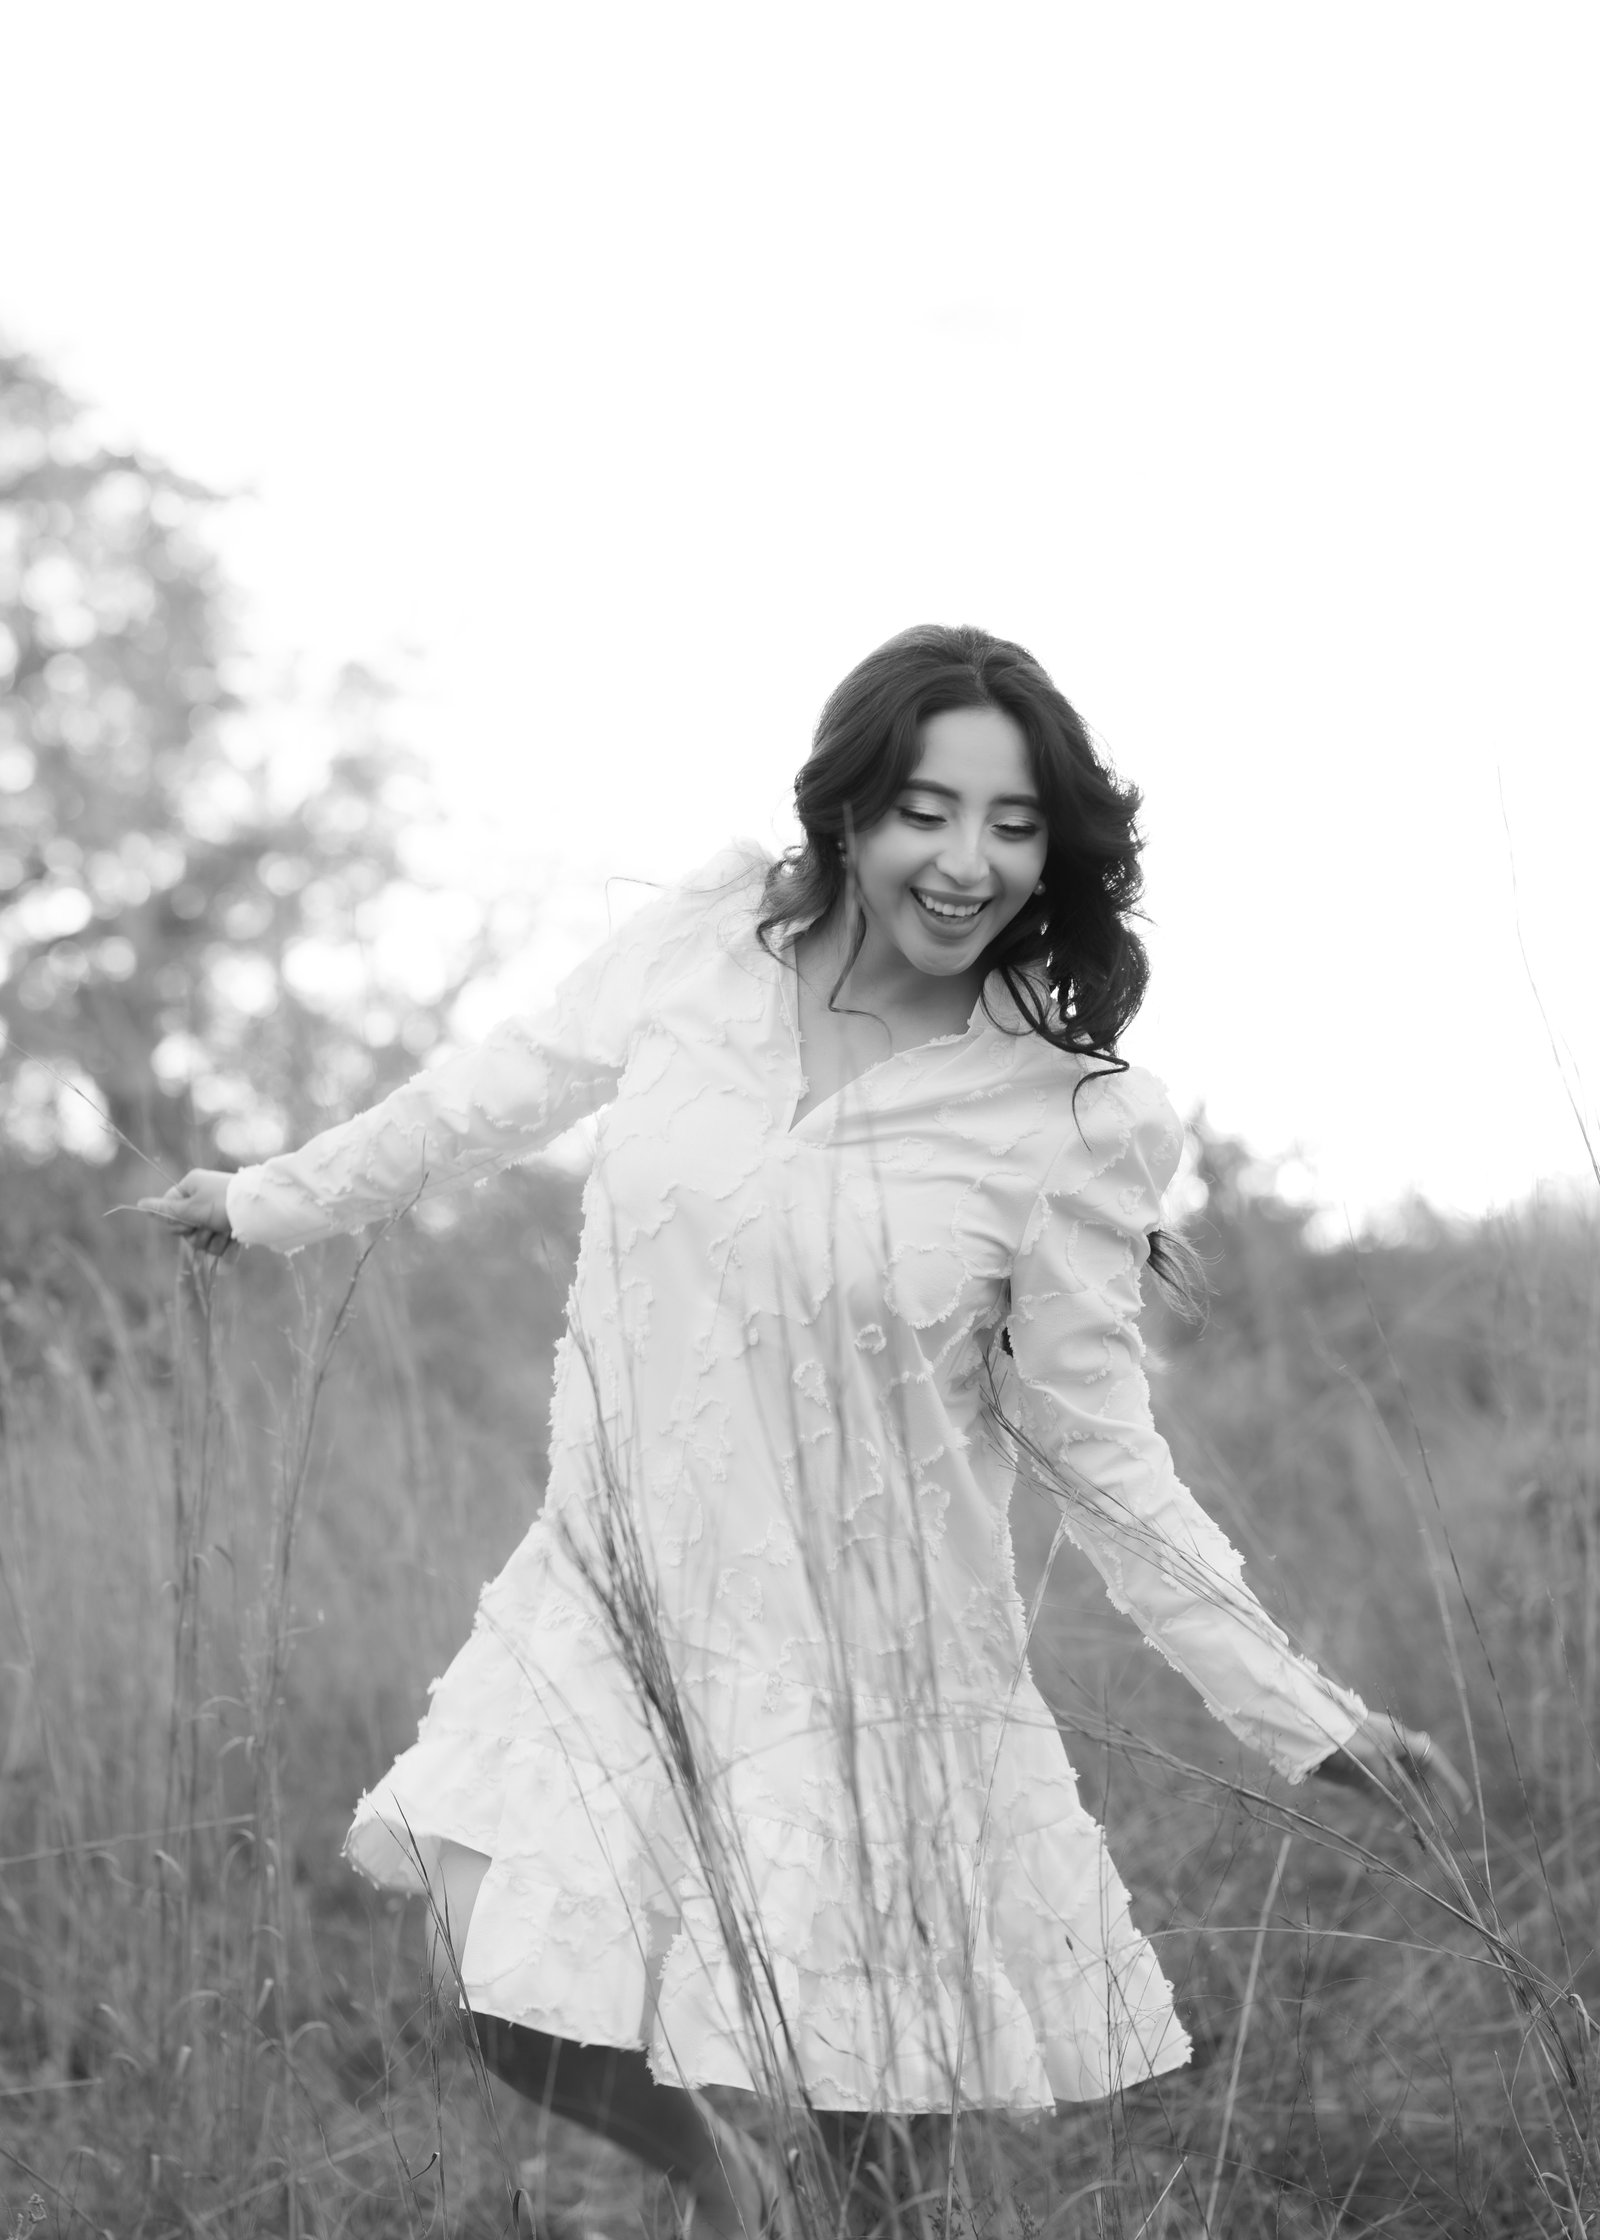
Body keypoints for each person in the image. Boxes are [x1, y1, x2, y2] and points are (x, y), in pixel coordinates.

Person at [144, 624, 1452, 2238]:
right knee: (487, 1965)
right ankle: (728, 2184)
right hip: (609, 1601)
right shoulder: (698, 959)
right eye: (925, 808)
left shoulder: (1066, 1120)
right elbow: (481, 1096)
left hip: (879, 1668)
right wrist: (266, 1198)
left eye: (1014, 822)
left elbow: (1103, 1452)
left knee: (882, 2164)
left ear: (1054, 851)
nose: (966, 860)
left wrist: (1297, 1708)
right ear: (845, 811)